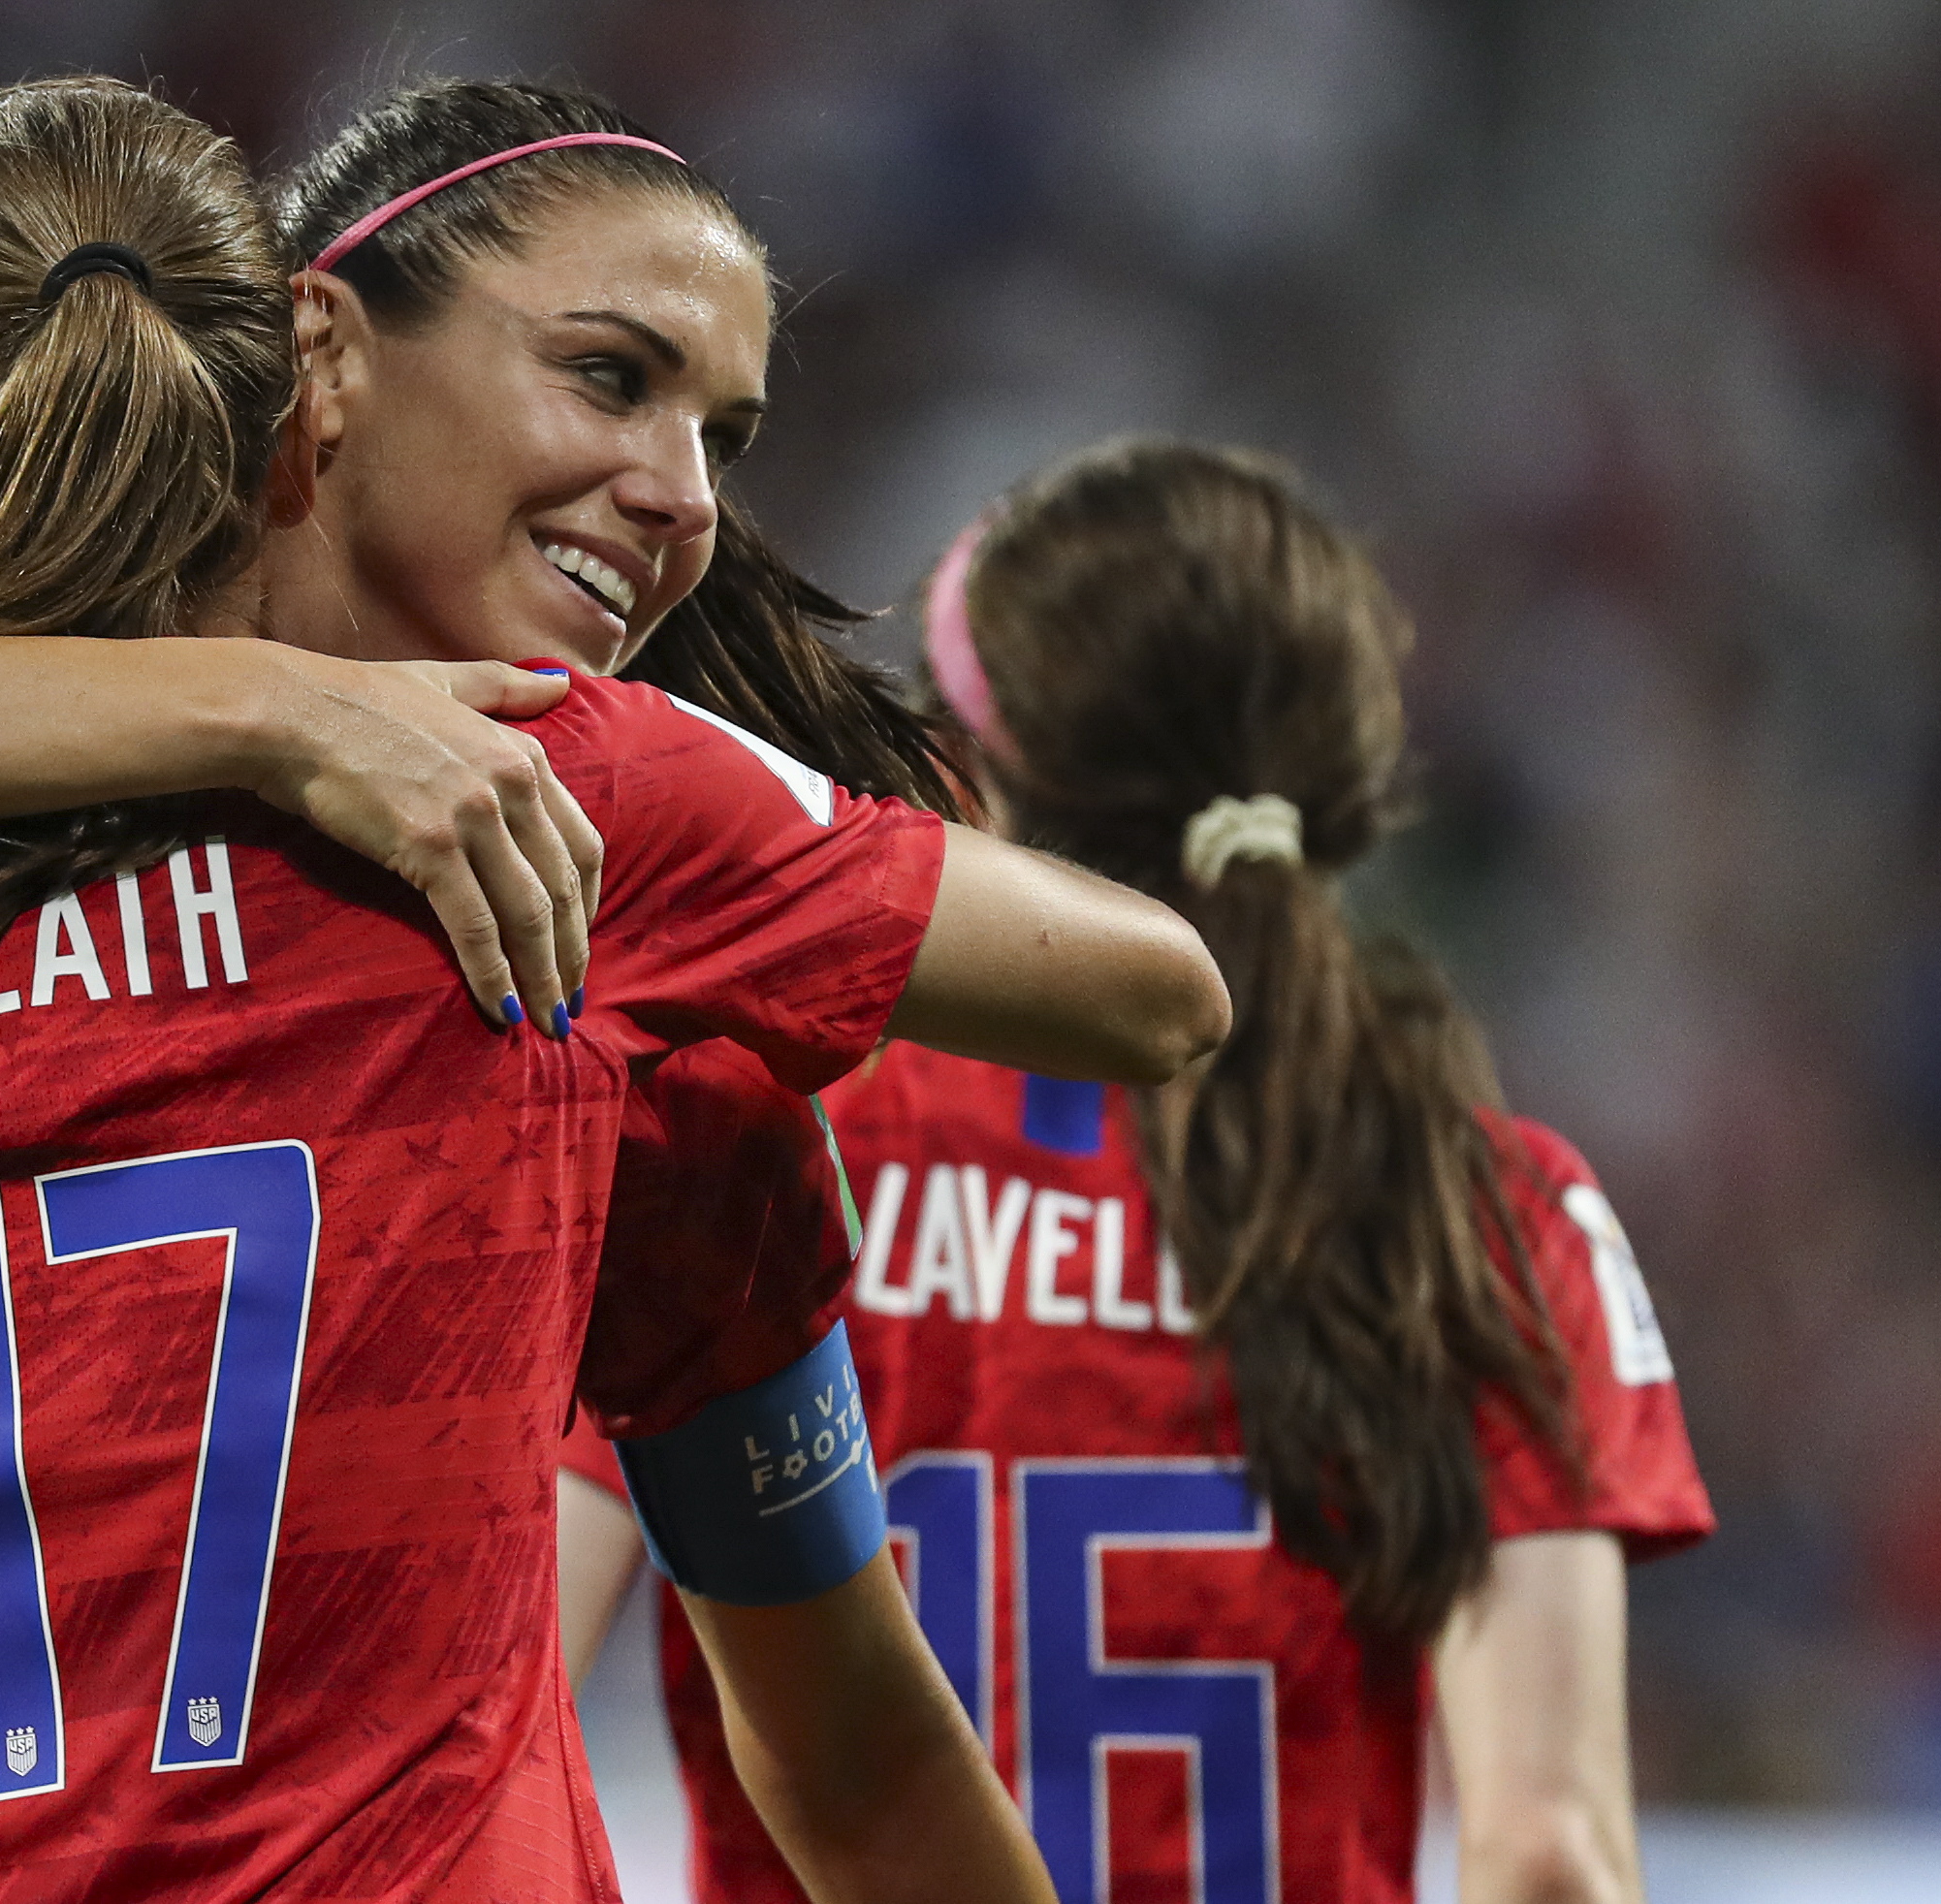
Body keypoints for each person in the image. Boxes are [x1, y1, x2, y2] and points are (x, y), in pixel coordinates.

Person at [0, 78, 1225, 1903]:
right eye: (607, 376)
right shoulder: (574, 867)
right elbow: (854, 1752)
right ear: (319, 357)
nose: (683, 495)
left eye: (721, 435)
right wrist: (286, 715)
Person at [558, 439, 1716, 1904]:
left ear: (966, 773)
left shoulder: (758, 1139)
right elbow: (1548, 1857)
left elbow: (497, 1657)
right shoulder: (1476, 1209)